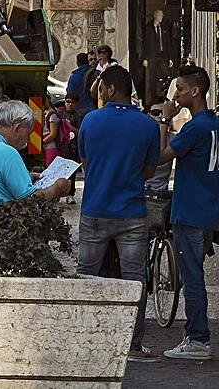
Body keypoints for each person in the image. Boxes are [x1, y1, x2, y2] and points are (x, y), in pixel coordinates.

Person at [77, 63, 165, 364]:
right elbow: (150, 170)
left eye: (101, 87)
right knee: (133, 281)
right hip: (131, 213)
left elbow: (86, 163)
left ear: (110, 89)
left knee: (87, 277)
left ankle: (86, 341)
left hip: (95, 210)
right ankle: (133, 344)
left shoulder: (90, 121)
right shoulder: (148, 125)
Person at [152, 66, 219, 362]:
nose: (176, 95)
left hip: (190, 212)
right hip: (208, 210)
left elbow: (161, 156)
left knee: (192, 278)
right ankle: (196, 337)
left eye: (180, 89)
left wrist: (164, 120)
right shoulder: (217, 127)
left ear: (195, 91)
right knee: (194, 275)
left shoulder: (195, 128)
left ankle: (197, 339)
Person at [0, 99, 76, 211]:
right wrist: (57, 188)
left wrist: (26, 176)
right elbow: (30, 202)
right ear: (17, 127)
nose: (28, 141)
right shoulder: (7, 153)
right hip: (1, 227)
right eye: (28, 134)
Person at [65, 52, 93, 117]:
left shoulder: (74, 77)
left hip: (79, 109)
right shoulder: (95, 73)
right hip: (93, 108)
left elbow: (70, 94)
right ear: (87, 61)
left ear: (77, 63)